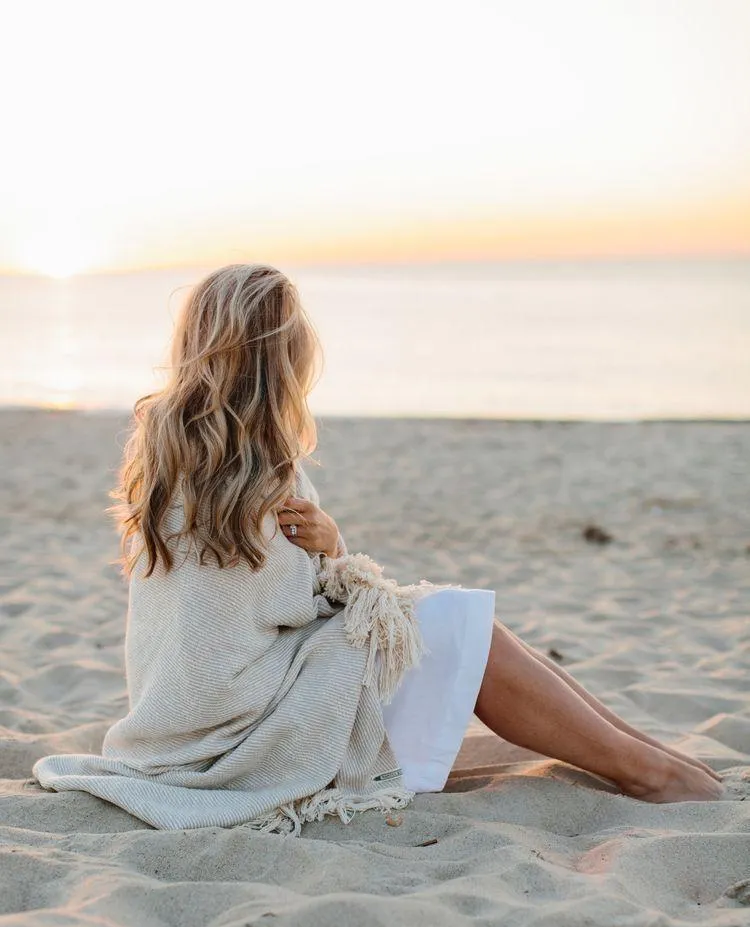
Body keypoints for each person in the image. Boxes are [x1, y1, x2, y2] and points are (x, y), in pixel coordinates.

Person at [32, 264, 722, 833]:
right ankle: (652, 769)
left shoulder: (162, 458)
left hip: (187, 715)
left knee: (451, 620)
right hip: (241, 735)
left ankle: (650, 759)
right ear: (284, 359)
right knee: (449, 622)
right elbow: (296, 606)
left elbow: (239, 607)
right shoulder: (265, 471)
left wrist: (330, 557)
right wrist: (335, 549)